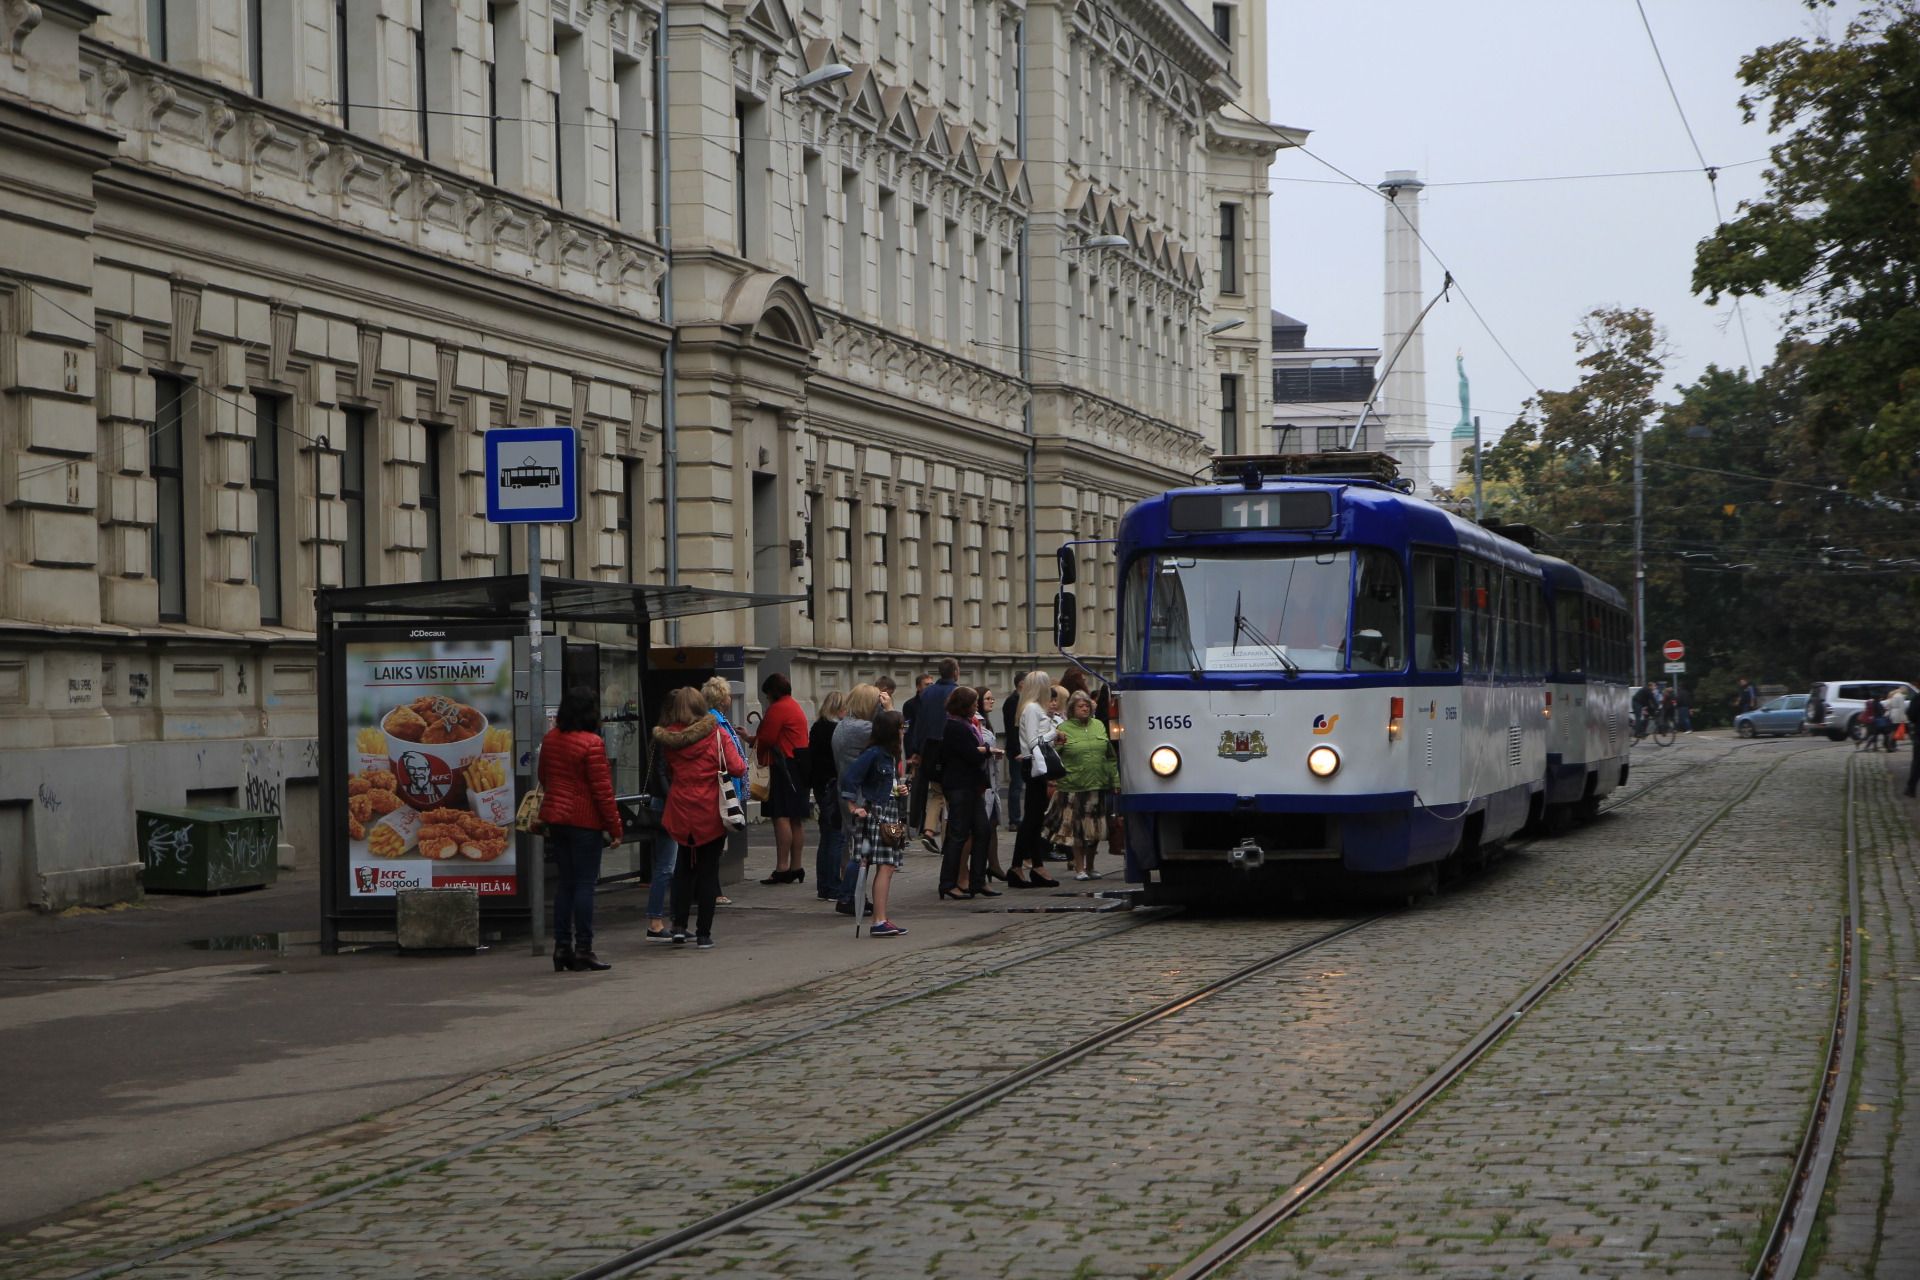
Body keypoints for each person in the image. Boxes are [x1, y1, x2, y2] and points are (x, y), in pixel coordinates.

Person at [538, 686, 623, 972]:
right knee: (585, 885)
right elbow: (603, 792)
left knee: (566, 884)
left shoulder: (550, 739)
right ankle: (584, 949)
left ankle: (561, 948)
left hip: (556, 820)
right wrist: (615, 828)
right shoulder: (592, 743)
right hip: (584, 822)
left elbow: (543, 776)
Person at [655, 686, 746, 949]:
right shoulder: (716, 734)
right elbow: (738, 768)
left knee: (683, 869)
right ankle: (703, 933)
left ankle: (679, 927)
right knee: (708, 872)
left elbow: (670, 770)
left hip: (681, 810)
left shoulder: (670, 739)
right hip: (710, 811)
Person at [842, 709, 909, 937]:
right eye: (901, 728)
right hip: (879, 814)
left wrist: (900, 790)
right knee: (885, 865)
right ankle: (879, 920)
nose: (903, 732)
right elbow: (850, 778)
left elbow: (886, 785)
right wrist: (853, 806)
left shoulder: (889, 755)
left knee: (888, 865)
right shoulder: (874, 754)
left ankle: (881, 917)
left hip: (890, 811)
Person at [1046, 691, 1119, 880]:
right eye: (1080, 706)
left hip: (1097, 784)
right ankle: (1079, 868)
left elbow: (1110, 756)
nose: (1085, 708)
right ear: (1072, 709)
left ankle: (1092, 866)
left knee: (1095, 830)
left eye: (1087, 706)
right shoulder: (1064, 728)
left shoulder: (1099, 726)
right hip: (1073, 785)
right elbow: (1054, 755)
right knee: (1077, 830)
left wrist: (1115, 780)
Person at [936, 687, 998, 900]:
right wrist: (987, 751)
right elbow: (972, 755)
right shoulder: (955, 726)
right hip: (960, 786)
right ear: (964, 706)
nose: (976, 707)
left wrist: (982, 751)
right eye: (973, 704)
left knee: (983, 830)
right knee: (958, 835)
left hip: (972, 787)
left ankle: (977, 881)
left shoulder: (965, 725)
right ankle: (947, 883)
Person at [752, 673, 810, 885]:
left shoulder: (778, 709)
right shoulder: (794, 706)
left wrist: (752, 741)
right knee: (796, 818)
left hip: (783, 767)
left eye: (767, 695)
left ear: (772, 692)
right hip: (798, 765)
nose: (767, 699)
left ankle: (782, 867)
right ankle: (797, 866)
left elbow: (766, 738)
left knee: (781, 816)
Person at [831, 684, 882, 915]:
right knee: (863, 849)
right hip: (861, 796)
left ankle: (855, 895)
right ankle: (847, 896)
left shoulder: (843, 725)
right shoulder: (863, 729)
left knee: (857, 845)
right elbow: (890, 735)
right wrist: (888, 709)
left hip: (846, 791)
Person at [1007, 670, 1061, 890]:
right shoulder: (1031, 709)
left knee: (1036, 818)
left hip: (1037, 764)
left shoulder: (1036, 709)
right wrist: (1054, 733)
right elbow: (1032, 741)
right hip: (1033, 765)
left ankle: (1034, 865)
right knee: (1032, 817)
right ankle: (1018, 866)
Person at [956, 686, 1007, 891]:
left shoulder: (985, 721)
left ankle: (990, 868)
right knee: (974, 833)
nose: (991, 701)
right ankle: (965, 875)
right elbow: (974, 748)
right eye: (986, 698)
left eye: (992, 698)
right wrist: (989, 750)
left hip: (989, 782)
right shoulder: (971, 722)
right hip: (977, 784)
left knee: (990, 827)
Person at [906, 660, 960, 845]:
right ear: (955, 672)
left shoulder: (927, 693)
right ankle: (948, 839)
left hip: (930, 748)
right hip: (950, 747)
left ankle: (928, 831)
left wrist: (916, 750)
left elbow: (919, 724)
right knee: (951, 794)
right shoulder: (957, 692)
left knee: (937, 792)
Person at [642, 705, 678, 942]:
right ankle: (655, 921)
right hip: (666, 804)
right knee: (666, 865)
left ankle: (664, 919)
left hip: (661, 802)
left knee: (666, 864)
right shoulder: (667, 739)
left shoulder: (658, 736)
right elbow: (662, 773)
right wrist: (674, 799)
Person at [808, 691, 847, 901]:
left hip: (820, 785)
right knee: (835, 837)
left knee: (826, 837)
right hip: (833, 785)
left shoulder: (817, 727)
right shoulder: (836, 730)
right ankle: (832, 885)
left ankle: (824, 884)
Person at [1001, 681, 1023, 830]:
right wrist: (1016, 751)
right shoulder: (1012, 702)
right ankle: (1014, 819)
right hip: (1017, 750)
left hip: (1024, 749)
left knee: (1019, 785)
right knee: (1016, 784)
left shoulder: (1024, 701)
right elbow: (1011, 728)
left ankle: (1017, 819)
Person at [1887, 687, 1909, 755]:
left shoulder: (1894, 695)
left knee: (1893, 731)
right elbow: (1902, 708)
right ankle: (1890, 746)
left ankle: (1892, 746)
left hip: (1893, 714)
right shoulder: (1900, 696)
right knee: (1894, 731)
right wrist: (1903, 719)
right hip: (1898, 715)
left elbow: (1889, 705)